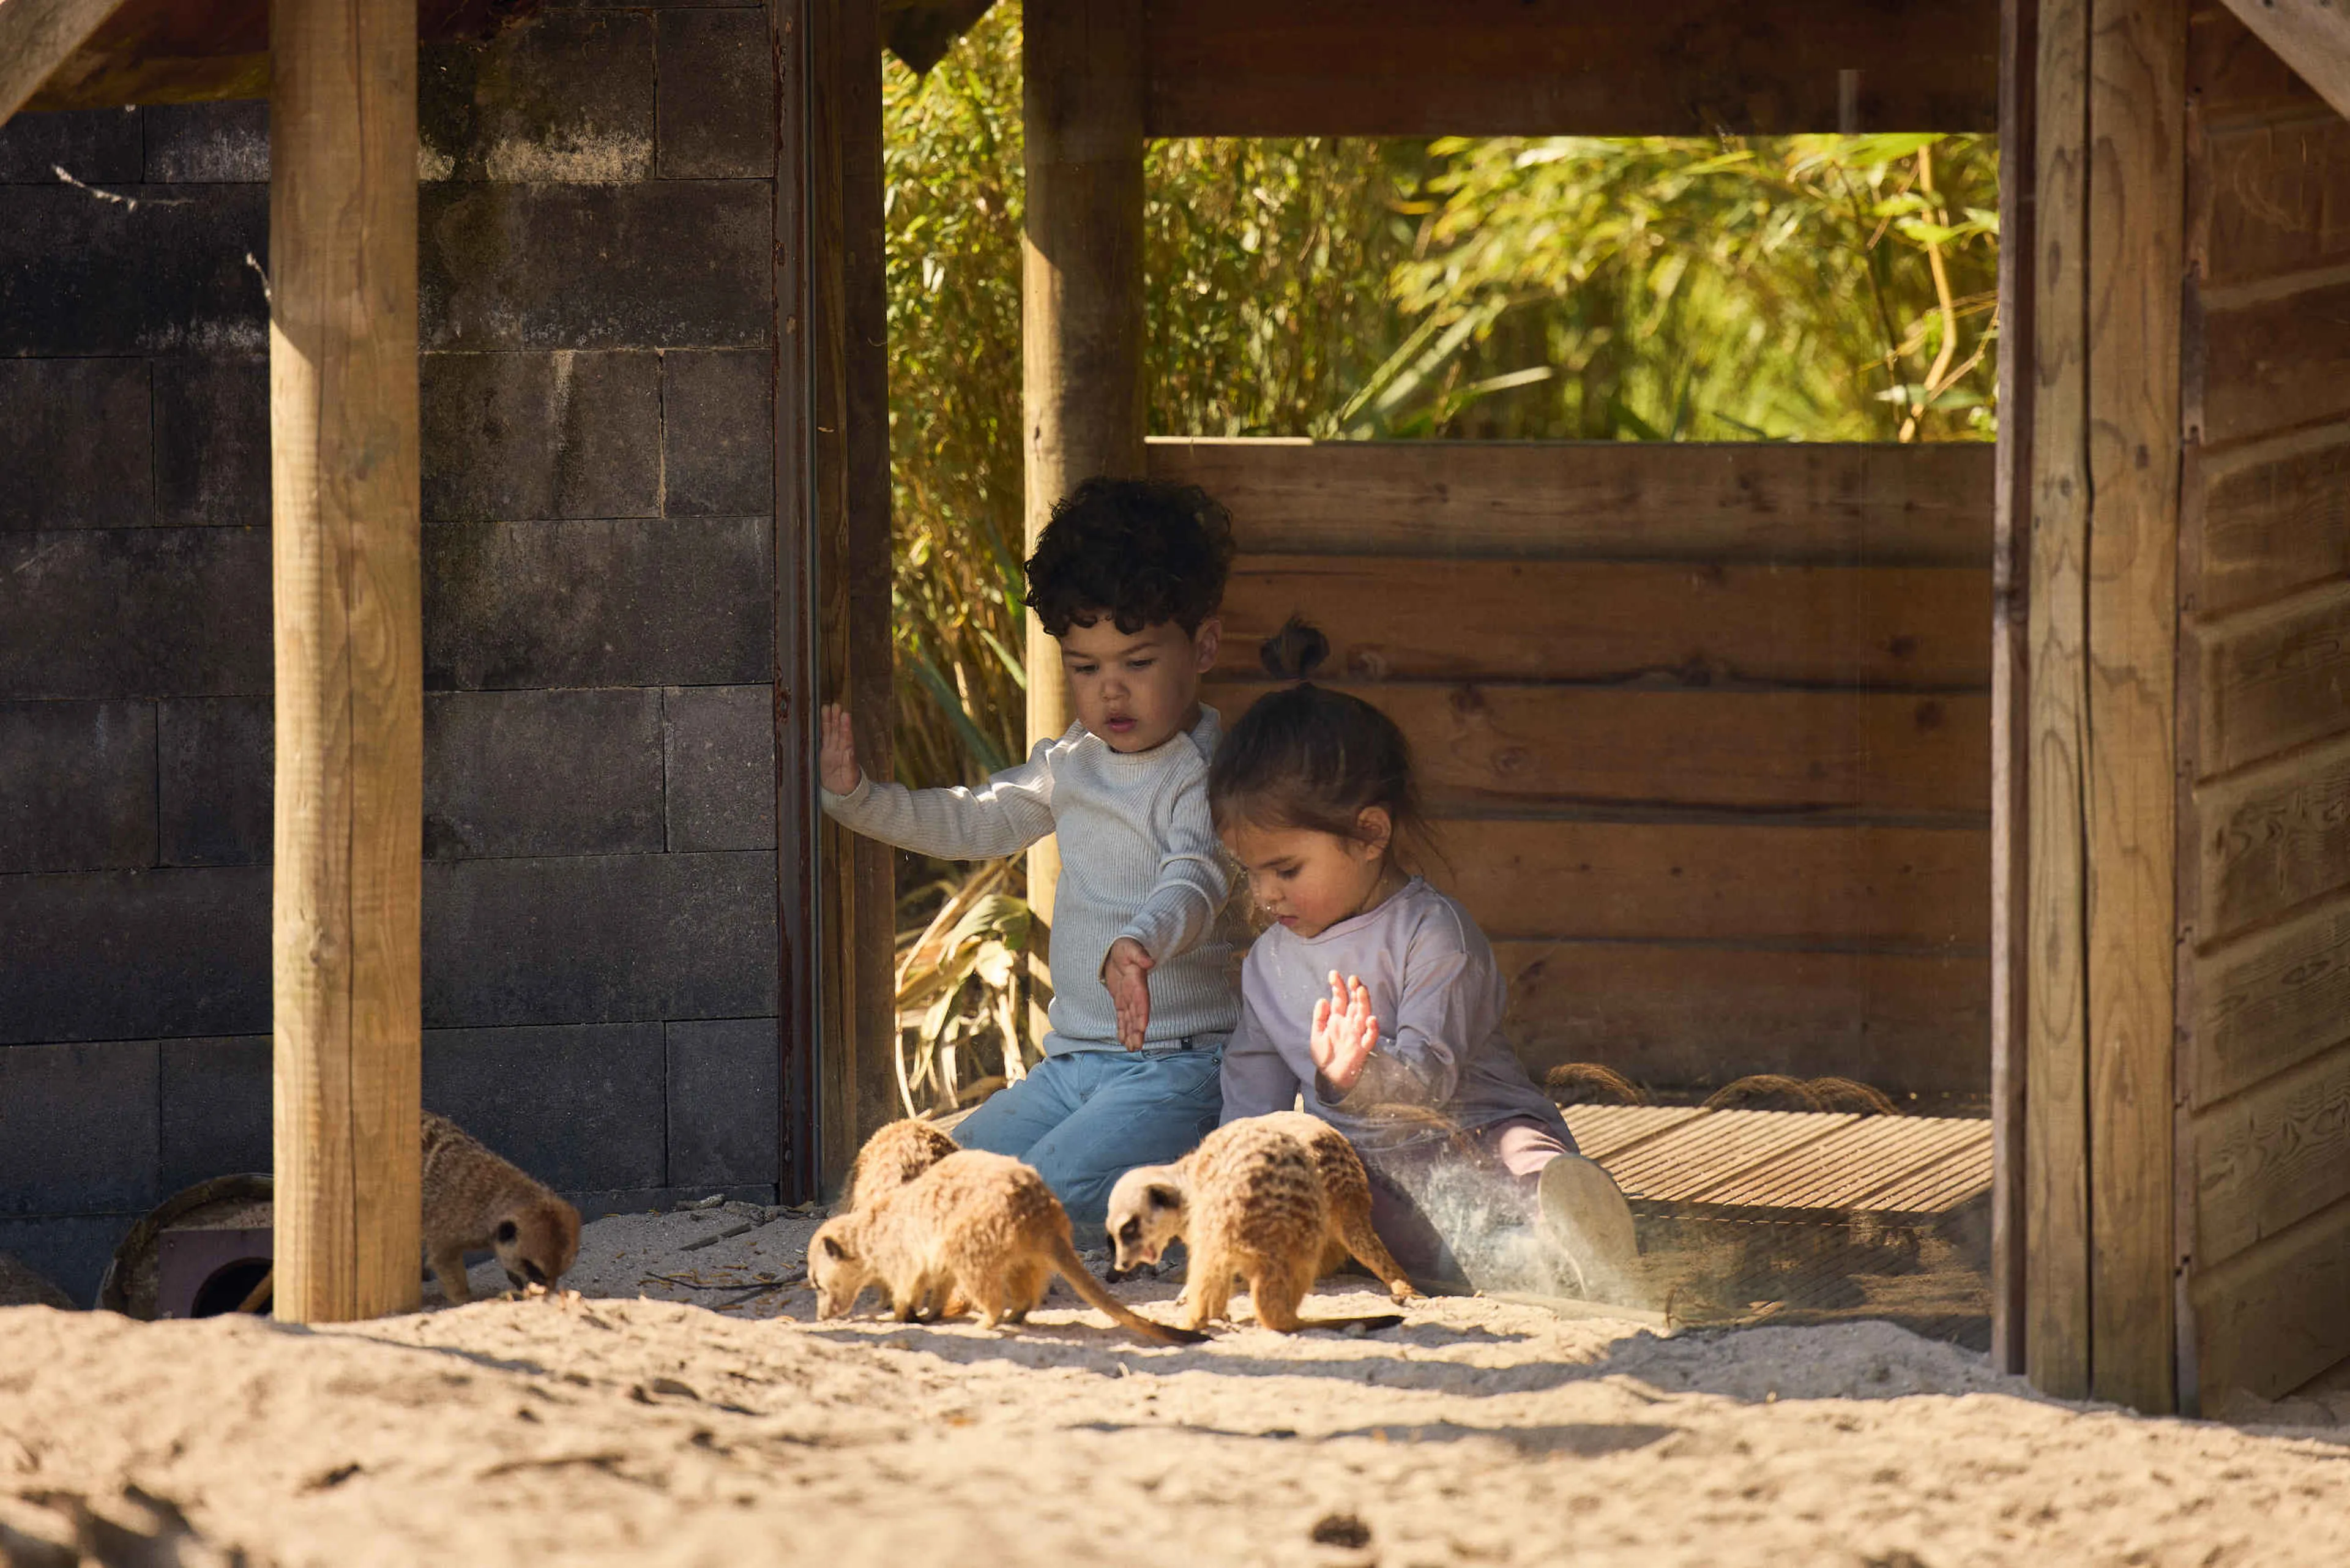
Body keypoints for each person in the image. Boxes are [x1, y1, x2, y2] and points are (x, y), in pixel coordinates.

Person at [819, 477, 1240, 1227]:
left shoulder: (1210, 775)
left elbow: (1196, 878)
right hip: (1070, 1068)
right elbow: (974, 819)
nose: (1111, 692)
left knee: (1033, 1198)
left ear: (1203, 645)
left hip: (1179, 1067)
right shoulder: (1071, 763)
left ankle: (1183, 1205)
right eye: (1085, 667)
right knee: (934, 1179)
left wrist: (1140, 943)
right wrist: (858, 799)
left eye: (1137, 663)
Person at [1209, 617, 1641, 1297]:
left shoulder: (1433, 935)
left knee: (1522, 1156)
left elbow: (1431, 1083)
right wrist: (1237, 1180)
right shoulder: (1268, 964)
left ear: (1369, 834)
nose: (1264, 894)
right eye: (1249, 871)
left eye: (1286, 870)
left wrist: (1357, 1077)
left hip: (1476, 1132)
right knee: (1344, 1199)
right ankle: (1510, 1259)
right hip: (1374, 1173)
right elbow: (1251, 1095)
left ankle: (1570, 1230)